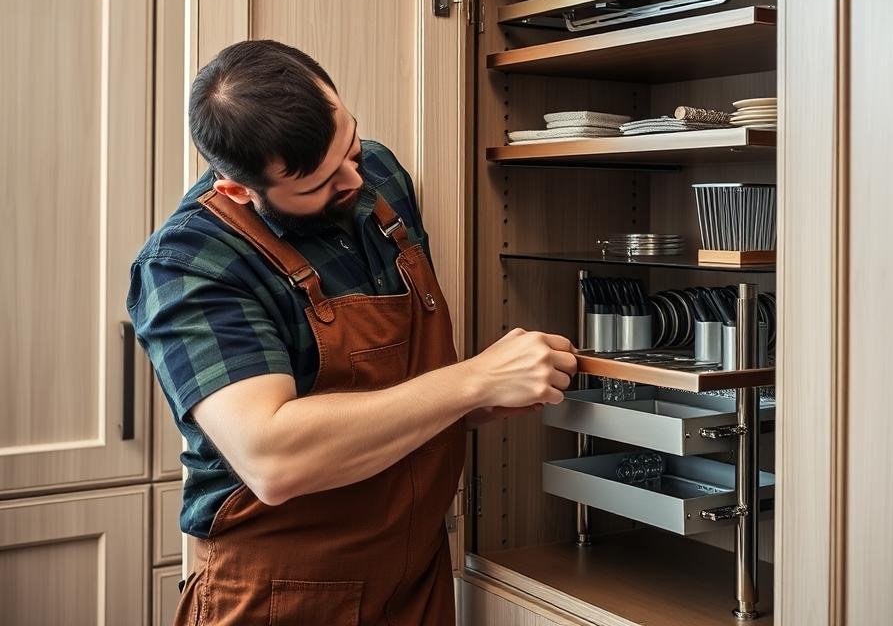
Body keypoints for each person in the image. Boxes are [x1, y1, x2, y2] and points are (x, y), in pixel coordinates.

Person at [127, 39, 577, 625]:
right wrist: (473, 382)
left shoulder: (378, 173)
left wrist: (475, 403)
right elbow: (272, 457)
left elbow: (395, 387)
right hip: (284, 594)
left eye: (351, 144)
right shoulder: (189, 262)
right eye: (317, 183)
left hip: (415, 576)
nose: (354, 179)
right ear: (238, 189)